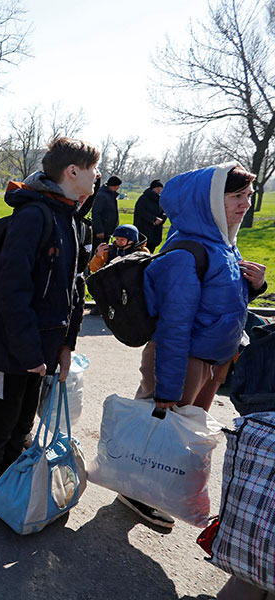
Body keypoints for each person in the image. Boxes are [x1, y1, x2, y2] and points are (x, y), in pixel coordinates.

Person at [125, 163, 268, 529]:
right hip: (183, 361)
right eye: (236, 196)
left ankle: (151, 488)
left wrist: (254, 287)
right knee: (159, 429)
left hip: (210, 361)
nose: (246, 204)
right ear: (206, 202)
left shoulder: (222, 243)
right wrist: (168, 389)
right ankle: (133, 490)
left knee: (179, 436)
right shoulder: (187, 252)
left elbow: (218, 301)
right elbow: (174, 327)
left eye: (248, 196)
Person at [0, 137, 98, 504]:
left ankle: (10, 474)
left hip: (42, 346)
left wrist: (65, 345)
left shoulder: (70, 217)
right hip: (12, 346)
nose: (97, 176)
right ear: (72, 172)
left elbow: (74, 288)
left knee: (24, 417)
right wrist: (28, 351)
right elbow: (11, 291)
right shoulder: (34, 216)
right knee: (0, 418)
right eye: (92, 170)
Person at [133, 179, 167, 250]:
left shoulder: (161, 200)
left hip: (156, 231)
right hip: (144, 230)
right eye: (157, 189)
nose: (159, 191)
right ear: (152, 188)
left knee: (151, 250)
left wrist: (162, 219)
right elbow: (142, 212)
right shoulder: (143, 199)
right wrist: (154, 219)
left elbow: (164, 212)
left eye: (161, 189)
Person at [92, 175, 121, 246]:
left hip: (107, 230)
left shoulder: (111, 195)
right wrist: (99, 230)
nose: (118, 187)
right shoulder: (102, 196)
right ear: (114, 185)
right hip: (102, 231)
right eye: (118, 185)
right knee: (97, 249)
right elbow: (96, 213)